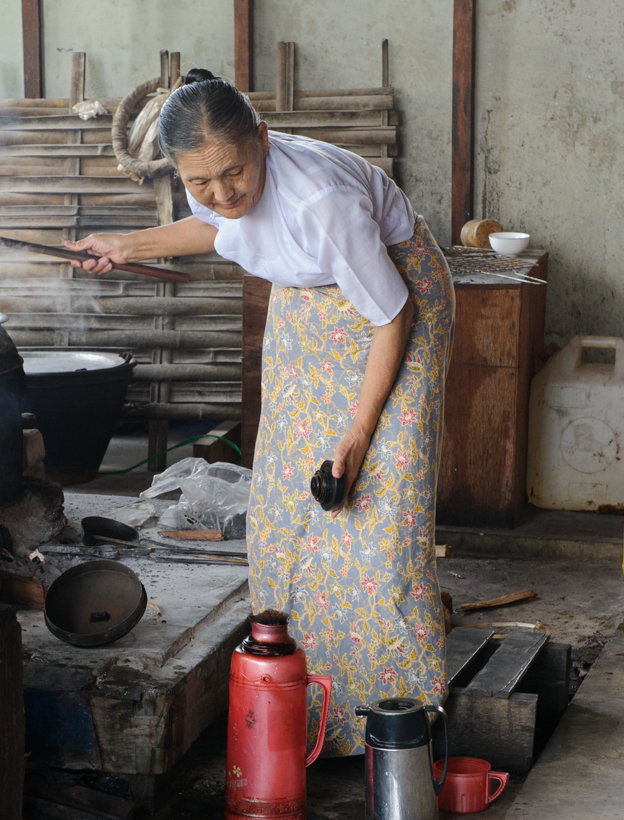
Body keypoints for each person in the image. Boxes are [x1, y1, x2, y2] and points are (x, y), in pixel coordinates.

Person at [67, 69, 454, 756]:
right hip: (311, 301)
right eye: (200, 181)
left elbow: (391, 316)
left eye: (234, 173)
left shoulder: (323, 205)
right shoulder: (222, 186)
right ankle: (302, 714)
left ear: (264, 141)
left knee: (372, 511)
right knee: (286, 498)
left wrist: (358, 438)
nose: (221, 194)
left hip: (391, 305)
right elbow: (214, 224)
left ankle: (383, 725)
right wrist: (124, 246)